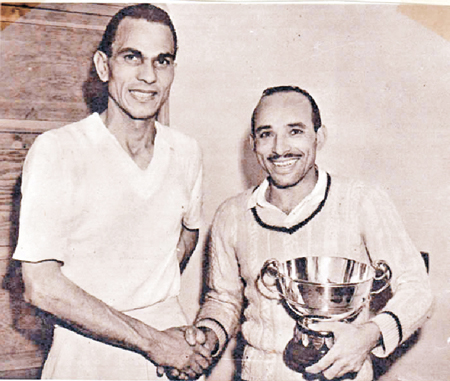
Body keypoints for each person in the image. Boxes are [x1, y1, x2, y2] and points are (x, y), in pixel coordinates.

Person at [12, 4, 211, 380]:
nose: (148, 76)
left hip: (173, 360)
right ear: (104, 67)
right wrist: (152, 340)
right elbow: (41, 286)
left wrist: (159, 314)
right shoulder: (58, 150)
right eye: (132, 57)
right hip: (87, 357)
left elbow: (187, 234)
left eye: (162, 61)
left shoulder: (186, 152)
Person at [184, 86, 433, 381]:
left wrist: (369, 336)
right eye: (266, 134)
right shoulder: (232, 214)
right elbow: (223, 299)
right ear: (253, 144)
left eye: (295, 131)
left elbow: (418, 290)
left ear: (320, 136)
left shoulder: (361, 200)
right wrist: (206, 336)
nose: (279, 148)